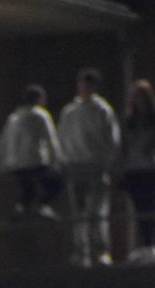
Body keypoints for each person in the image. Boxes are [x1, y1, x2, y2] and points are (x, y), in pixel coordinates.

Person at [57, 68, 120, 267]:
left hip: (96, 165)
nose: (83, 88)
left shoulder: (102, 110)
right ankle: (81, 251)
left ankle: (101, 250)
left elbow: (112, 139)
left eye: (87, 85)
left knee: (97, 210)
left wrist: (107, 163)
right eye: (81, 84)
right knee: (78, 212)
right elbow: (62, 138)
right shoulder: (70, 111)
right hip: (75, 165)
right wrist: (64, 161)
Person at [0, 85, 63, 219]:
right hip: (34, 161)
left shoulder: (14, 117)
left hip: (15, 163)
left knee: (28, 189)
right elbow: (51, 140)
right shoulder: (40, 115)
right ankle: (41, 206)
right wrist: (56, 163)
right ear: (39, 99)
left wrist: (3, 163)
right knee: (56, 183)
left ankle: (21, 209)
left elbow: (2, 141)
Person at [120, 80, 155, 264]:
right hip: (133, 169)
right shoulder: (129, 121)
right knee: (139, 208)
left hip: (149, 169)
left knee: (150, 207)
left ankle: (151, 246)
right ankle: (145, 245)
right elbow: (123, 146)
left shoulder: (152, 120)